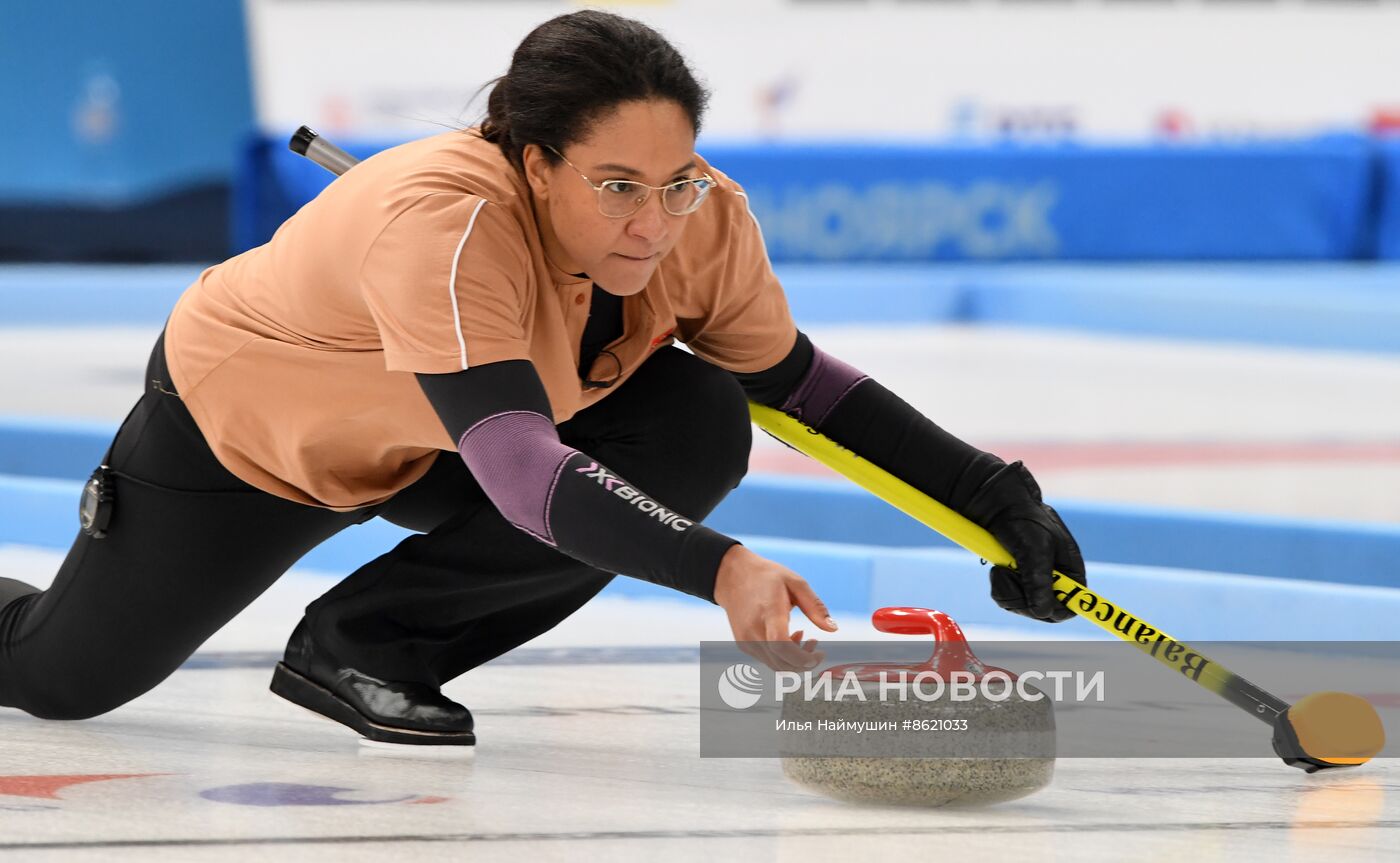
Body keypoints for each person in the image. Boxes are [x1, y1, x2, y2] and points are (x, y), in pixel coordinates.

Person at [0, 10, 1084, 747]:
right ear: (532, 162)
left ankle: (363, 647)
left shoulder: (702, 219)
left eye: (674, 182)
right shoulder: (448, 221)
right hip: (252, 434)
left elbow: (800, 387)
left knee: (699, 414)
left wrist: (989, 495)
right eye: (616, 186)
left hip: (441, 437)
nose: (653, 223)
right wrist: (721, 569)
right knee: (61, 679)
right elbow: (522, 472)